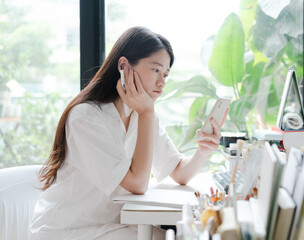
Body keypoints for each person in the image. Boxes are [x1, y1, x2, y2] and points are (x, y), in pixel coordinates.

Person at [29, 26, 228, 240]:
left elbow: (179, 172)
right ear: (124, 66)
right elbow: (137, 184)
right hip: (68, 230)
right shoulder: (86, 117)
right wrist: (146, 113)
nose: (162, 83)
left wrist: (203, 150)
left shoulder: (141, 113)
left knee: (189, 235)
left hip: (113, 225)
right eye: (155, 70)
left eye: (166, 74)